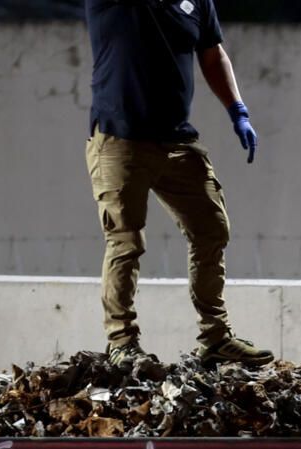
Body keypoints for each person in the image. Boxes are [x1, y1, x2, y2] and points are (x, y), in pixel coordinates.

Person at [85, 0, 273, 367]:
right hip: (120, 138)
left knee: (212, 230)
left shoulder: (197, 1)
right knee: (126, 241)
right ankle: (122, 342)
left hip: (176, 141)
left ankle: (216, 338)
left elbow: (212, 52)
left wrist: (238, 111)